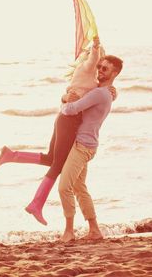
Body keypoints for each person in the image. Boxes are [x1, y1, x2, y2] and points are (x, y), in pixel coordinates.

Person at [0, 36, 116, 226]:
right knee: (58, 166)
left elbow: (97, 93)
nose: (99, 67)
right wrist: (96, 46)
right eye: (99, 63)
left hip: (64, 120)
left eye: (103, 66)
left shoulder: (91, 78)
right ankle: (36, 204)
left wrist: (110, 91)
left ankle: (11, 156)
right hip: (68, 120)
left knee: (52, 159)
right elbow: (84, 89)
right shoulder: (87, 67)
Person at [57, 54, 123, 242]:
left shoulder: (100, 93)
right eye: (99, 66)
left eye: (105, 69)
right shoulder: (106, 92)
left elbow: (71, 109)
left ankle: (69, 232)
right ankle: (94, 230)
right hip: (88, 144)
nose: (100, 71)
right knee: (79, 188)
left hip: (82, 146)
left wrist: (64, 100)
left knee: (64, 187)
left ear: (114, 73)